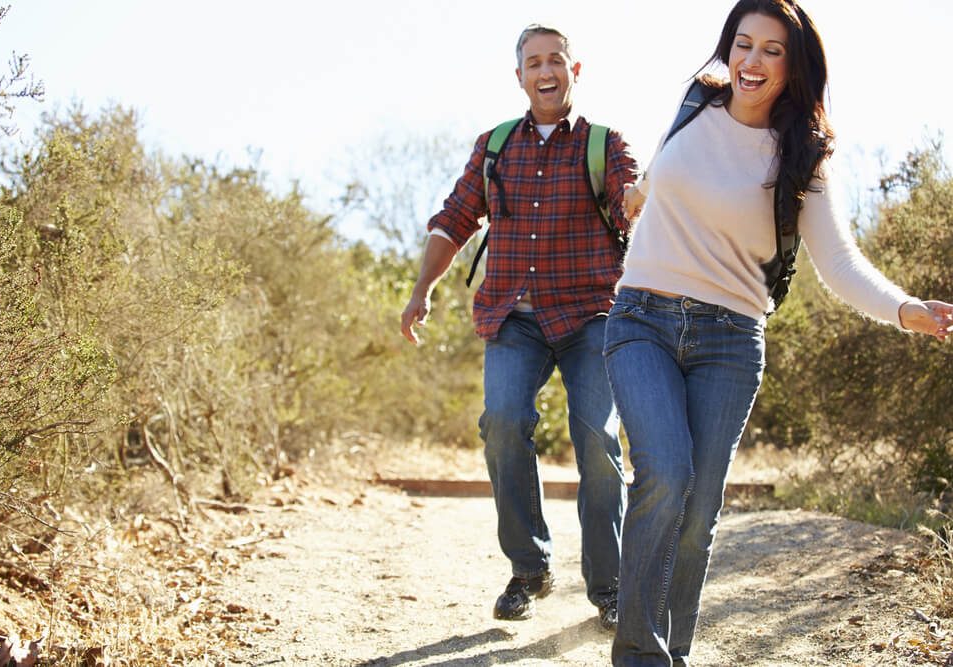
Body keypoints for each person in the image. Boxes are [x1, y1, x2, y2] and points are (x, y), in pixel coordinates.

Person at [605, 1, 953, 665]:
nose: (751, 60)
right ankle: (638, 655)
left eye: (771, 49)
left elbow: (839, 262)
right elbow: (661, 176)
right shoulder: (693, 103)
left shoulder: (803, 158)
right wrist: (637, 197)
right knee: (665, 472)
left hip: (729, 340)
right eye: (743, 44)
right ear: (727, 49)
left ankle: (670, 650)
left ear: (793, 67)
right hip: (641, 317)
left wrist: (905, 308)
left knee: (700, 509)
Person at [399, 24, 639, 630]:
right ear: (520, 76)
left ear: (574, 70)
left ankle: (610, 587)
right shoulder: (495, 146)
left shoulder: (605, 144)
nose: (545, 70)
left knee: (598, 442)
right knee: (503, 423)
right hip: (512, 314)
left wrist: (639, 196)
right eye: (534, 62)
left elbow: (628, 201)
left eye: (556, 59)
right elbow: (454, 219)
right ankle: (529, 569)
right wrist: (421, 289)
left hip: (590, 316)